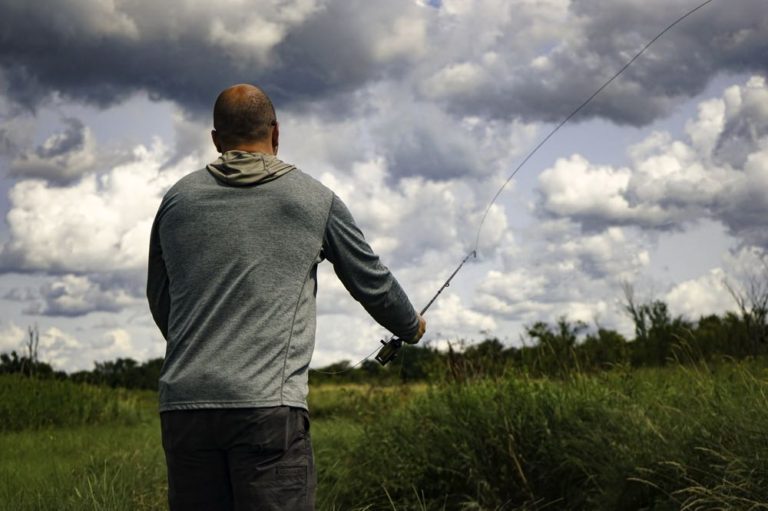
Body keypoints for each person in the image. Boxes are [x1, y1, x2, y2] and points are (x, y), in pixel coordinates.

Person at [146, 84, 426, 511]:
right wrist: (411, 326)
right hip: (267, 411)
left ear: (217, 140)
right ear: (276, 132)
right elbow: (373, 282)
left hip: (185, 408)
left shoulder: (177, 200)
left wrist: (201, 345)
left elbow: (161, 297)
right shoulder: (315, 199)